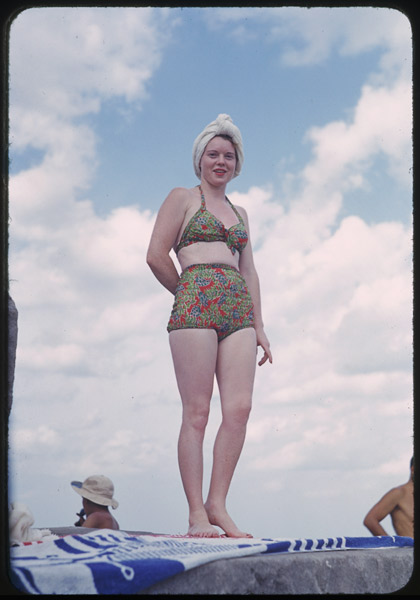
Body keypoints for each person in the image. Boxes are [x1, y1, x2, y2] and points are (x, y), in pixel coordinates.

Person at [147, 114, 272, 538]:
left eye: (228, 156)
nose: (221, 161)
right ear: (199, 159)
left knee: (239, 409)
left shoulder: (241, 213)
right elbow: (155, 254)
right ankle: (195, 513)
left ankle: (218, 504)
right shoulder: (182, 198)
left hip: (238, 309)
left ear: (237, 164)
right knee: (197, 412)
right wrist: (186, 291)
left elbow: (249, 270)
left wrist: (259, 325)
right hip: (195, 303)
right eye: (213, 154)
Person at [363, 458, 414, 538]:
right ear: (413, 469)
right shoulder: (399, 493)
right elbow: (370, 520)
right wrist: (390, 542)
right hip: (409, 545)